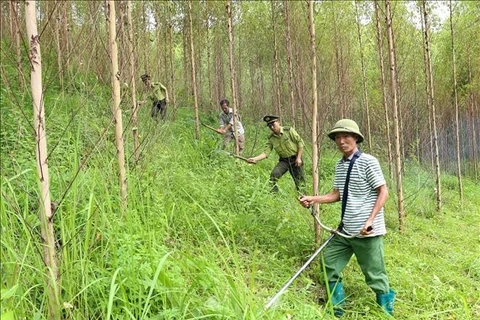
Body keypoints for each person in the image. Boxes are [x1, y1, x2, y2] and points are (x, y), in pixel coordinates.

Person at [298, 119, 395, 317]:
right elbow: (337, 194)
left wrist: (370, 220)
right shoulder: (340, 165)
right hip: (345, 229)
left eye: (346, 137)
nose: (341, 141)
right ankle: (337, 306)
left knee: (374, 274)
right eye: (338, 137)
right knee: (328, 261)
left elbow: (383, 192)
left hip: (366, 231)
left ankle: (386, 309)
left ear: (356, 139)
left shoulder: (368, 161)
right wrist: (313, 199)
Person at [247, 115, 305, 193]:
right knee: (274, 176)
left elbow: (300, 142)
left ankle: (305, 200)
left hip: (295, 158)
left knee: (300, 183)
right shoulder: (271, 138)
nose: (272, 127)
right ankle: (275, 195)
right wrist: (254, 159)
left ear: (278, 122)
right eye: (269, 126)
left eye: (273, 124)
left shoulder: (289, 131)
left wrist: (299, 158)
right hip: (284, 161)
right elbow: (265, 153)